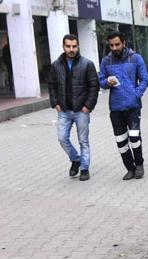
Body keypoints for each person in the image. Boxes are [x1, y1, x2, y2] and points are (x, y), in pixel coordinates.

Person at [48, 34, 99, 181]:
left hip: (81, 110)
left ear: (78, 46)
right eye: (68, 46)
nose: (71, 49)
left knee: (83, 141)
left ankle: (84, 168)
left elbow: (93, 87)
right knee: (62, 138)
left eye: (74, 46)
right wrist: (55, 103)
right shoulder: (56, 65)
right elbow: (51, 85)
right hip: (64, 110)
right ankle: (75, 159)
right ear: (63, 46)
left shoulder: (87, 64)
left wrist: (88, 106)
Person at [99, 32, 148, 180]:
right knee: (121, 140)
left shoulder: (136, 58)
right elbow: (100, 81)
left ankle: (139, 165)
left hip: (133, 106)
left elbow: (145, 80)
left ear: (124, 43)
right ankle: (130, 168)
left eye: (117, 44)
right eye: (112, 45)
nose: (115, 47)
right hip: (115, 107)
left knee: (134, 137)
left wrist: (136, 94)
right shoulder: (106, 61)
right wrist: (107, 82)